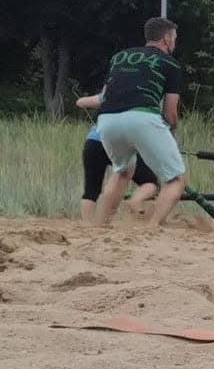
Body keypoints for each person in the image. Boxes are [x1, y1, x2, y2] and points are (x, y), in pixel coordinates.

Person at [90, 18, 189, 228]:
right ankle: (152, 226)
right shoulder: (170, 64)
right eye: (174, 38)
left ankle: (100, 224)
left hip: (106, 119)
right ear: (166, 38)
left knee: (122, 172)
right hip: (142, 117)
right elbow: (170, 112)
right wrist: (171, 129)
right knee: (175, 179)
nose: (174, 42)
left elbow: (106, 93)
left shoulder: (119, 57)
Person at [74, 94, 158, 224]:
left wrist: (87, 101)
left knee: (91, 190)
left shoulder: (113, 91)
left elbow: (82, 102)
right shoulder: (145, 96)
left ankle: (88, 225)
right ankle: (136, 200)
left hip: (94, 141)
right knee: (149, 182)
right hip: (120, 143)